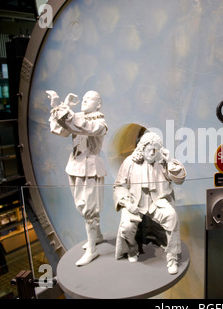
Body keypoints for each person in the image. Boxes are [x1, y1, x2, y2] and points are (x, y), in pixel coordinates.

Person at [48, 90, 107, 266]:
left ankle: (92, 249)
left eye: (90, 99)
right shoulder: (77, 118)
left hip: (90, 168)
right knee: (82, 206)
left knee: (88, 208)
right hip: (75, 167)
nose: (85, 100)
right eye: (85, 97)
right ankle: (97, 236)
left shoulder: (100, 123)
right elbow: (59, 129)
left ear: (98, 104)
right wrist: (58, 107)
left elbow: (79, 126)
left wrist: (63, 108)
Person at [113, 132, 186, 275]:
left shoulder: (162, 162)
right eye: (150, 149)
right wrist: (127, 203)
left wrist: (170, 160)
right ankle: (132, 247)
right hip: (135, 203)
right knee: (126, 227)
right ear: (142, 147)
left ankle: (172, 258)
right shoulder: (129, 162)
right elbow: (118, 186)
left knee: (171, 217)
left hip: (157, 203)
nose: (153, 153)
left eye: (156, 149)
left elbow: (180, 178)